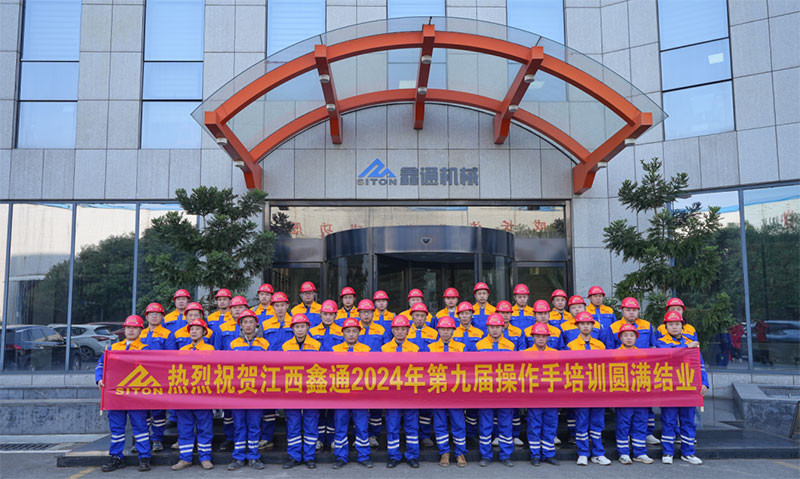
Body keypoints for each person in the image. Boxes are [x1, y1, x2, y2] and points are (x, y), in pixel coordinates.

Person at [95, 315, 152, 472]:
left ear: (140, 330)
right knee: (117, 429)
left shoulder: (145, 349)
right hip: (116, 395)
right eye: (128, 328)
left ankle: (144, 458)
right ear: (124, 330)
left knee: (140, 428)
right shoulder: (113, 348)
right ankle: (116, 457)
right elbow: (101, 365)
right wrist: (99, 379)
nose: (131, 331)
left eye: (134, 328)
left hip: (137, 396)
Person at [656, 311, 709, 465]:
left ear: (682, 326)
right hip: (669, 388)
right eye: (671, 324)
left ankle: (688, 452)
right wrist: (687, 346)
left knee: (688, 421)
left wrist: (704, 383)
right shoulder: (661, 342)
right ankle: (667, 452)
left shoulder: (692, 342)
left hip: (688, 388)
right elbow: (670, 353)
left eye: (677, 324)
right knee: (669, 420)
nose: (674, 327)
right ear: (666, 326)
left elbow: (700, 365)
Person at [225, 309, 269, 471]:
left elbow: (270, 367)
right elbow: (227, 367)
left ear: (256, 324)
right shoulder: (233, 344)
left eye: (251, 322)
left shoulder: (264, 344)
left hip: (256, 392)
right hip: (238, 393)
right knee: (239, 425)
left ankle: (253, 456)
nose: (248, 325)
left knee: (254, 425)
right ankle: (238, 457)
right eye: (245, 322)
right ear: (241, 325)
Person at [610, 297, 659, 444]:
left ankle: (647, 433)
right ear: (622, 311)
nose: (631, 313)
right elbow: (608, 350)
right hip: (622, 373)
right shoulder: (613, 327)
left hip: (643, 372)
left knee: (645, 406)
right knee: (624, 408)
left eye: (634, 310)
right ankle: (625, 437)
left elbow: (653, 348)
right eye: (628, 310)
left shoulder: (646, 325)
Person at [566, 311, 611, 466]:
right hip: (580, 390)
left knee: (597, 423)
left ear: (593, 326)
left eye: (588, 324)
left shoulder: (600, 345)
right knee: (582, 422)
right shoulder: (571, 346)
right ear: (578, 326)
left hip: (597, 389)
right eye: (582, 324)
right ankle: (583, 453)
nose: (585, 326)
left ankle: (598, 453)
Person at [381, 315, 425, 468]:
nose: (400, 332)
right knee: (392, 426)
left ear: (408, 331)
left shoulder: (415, 348)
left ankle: (412, 456)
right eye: (397, 329)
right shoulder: (384, 349)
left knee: (412, 426)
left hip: (410, 393)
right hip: (392, 393)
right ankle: (393, 456)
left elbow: (422, 370)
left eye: (403, 329)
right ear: (392, 330)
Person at [172, 318, 215, 471]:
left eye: (198, 329)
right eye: (192, 329)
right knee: (184, 428)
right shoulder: (182, 350)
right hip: (185, 395)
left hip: (203, 395)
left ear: (204, 332)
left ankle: (205, 457)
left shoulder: (210, 349)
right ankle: (185, 458)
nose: (194, 332)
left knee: (205, 428)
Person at [330, 318, 373, 469]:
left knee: (362, 426)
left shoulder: (366, 350)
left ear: (359, 333)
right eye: (348, 331)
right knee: (340, 426)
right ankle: (341, 457)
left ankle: (363, 456)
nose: (351, 334)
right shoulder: (335, 350)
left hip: (360, 396)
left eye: (354, 331)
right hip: (341, 396)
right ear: (343, 333)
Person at [473, 313, 515, 467]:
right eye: (492, 327)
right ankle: (485, 455)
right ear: (487, 328)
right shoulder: (479, 345)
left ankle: (505, 455)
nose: (495, 330)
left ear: (503, 328)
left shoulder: (510, 345)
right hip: (486, 390)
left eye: (498, 327)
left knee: (505, 425)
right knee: (486, 425)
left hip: (505, 389)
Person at [282, 314, 322, 469]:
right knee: (293, 425)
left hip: (311, 390)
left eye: (302, 326)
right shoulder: (285, 346)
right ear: (292, 329)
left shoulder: (317, 345)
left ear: (307, 328)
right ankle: (294, 457)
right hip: (292, 391)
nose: (299, 330)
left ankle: (310, 457)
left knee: (311, 424)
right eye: (297, 327)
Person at [428, 317, 467, 468]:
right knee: (440, 423)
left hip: (456, 392)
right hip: (437, 390)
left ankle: (460, 453)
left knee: (458, 422)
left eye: (448, 329)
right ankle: (444, 452)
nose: (445, 332)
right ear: (438, 330)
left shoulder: (461, 347)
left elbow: (467, 369)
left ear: (453, 331)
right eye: (443, 329)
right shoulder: (430, 347)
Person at [614, 323, 653, 465]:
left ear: (636, 338)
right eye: (625, 335)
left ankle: (640, 452)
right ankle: (623, 453)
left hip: (640, 395)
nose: (629, 338)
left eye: (632, 335)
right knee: (623, 424)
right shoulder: (614, 354)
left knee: (640, 423)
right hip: (623, 396)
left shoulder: (643, 354)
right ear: (620, 338)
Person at [523, 323, 560, 467]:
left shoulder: (556, 353)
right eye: (537, 336)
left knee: (550, 425)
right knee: (534, 426)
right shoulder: (525, 353)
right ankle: (535, 455)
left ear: (547, 338)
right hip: (534, 396)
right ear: (532, 337)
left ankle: (549, 454)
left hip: (551, 396)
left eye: (543, 336)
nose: (540, 339)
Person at [310, 299, 344, 450]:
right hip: (317, 375)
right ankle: (318, 438)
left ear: (335, 315)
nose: (328, 317)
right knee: (317, 408)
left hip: (335, 375)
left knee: (333, 409)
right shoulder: (312, 331)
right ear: (320, 315)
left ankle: (331, 438)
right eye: (325, 314)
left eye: (331, 314)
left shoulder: (342, 331)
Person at [138, 303, 170, 452]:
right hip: (140, 377)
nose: (154, 316)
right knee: (142, 410)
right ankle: (142, 440)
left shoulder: (167, 334)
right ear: (146, 317)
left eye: (157, 314)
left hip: (159, 377)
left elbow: (171, 356)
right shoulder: (140, 333)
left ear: (162, 317)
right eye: (151, 314)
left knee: (158, 410)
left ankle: (157, 439)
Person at [406, 302, 437, 447]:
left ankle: (424, 435)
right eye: (416, 315)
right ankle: (411, 436)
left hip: (427, 375)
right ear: (412, 316)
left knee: (426, 408)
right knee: (411, 408)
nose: (419, 318)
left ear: (426, 317)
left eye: (422, 316)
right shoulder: (405, 331)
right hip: (409, 375)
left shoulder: (434, 333)